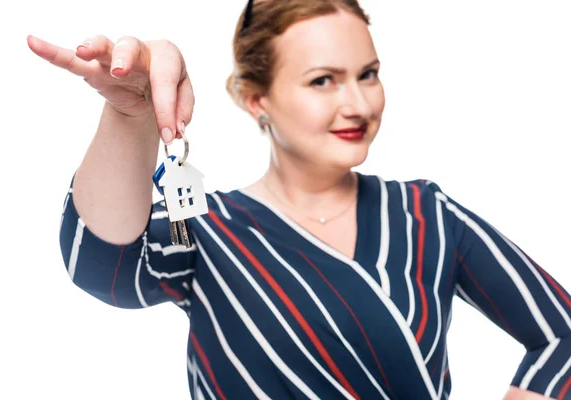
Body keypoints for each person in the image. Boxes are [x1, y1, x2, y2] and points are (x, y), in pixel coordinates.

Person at [28, 0, 571, 398]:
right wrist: (132, 114)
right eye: (323, 81)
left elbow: (561, 337)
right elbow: (105, 269)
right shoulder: (206, 227)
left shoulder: (426, 216)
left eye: (368, 75)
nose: (357, 103)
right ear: (255, 98)